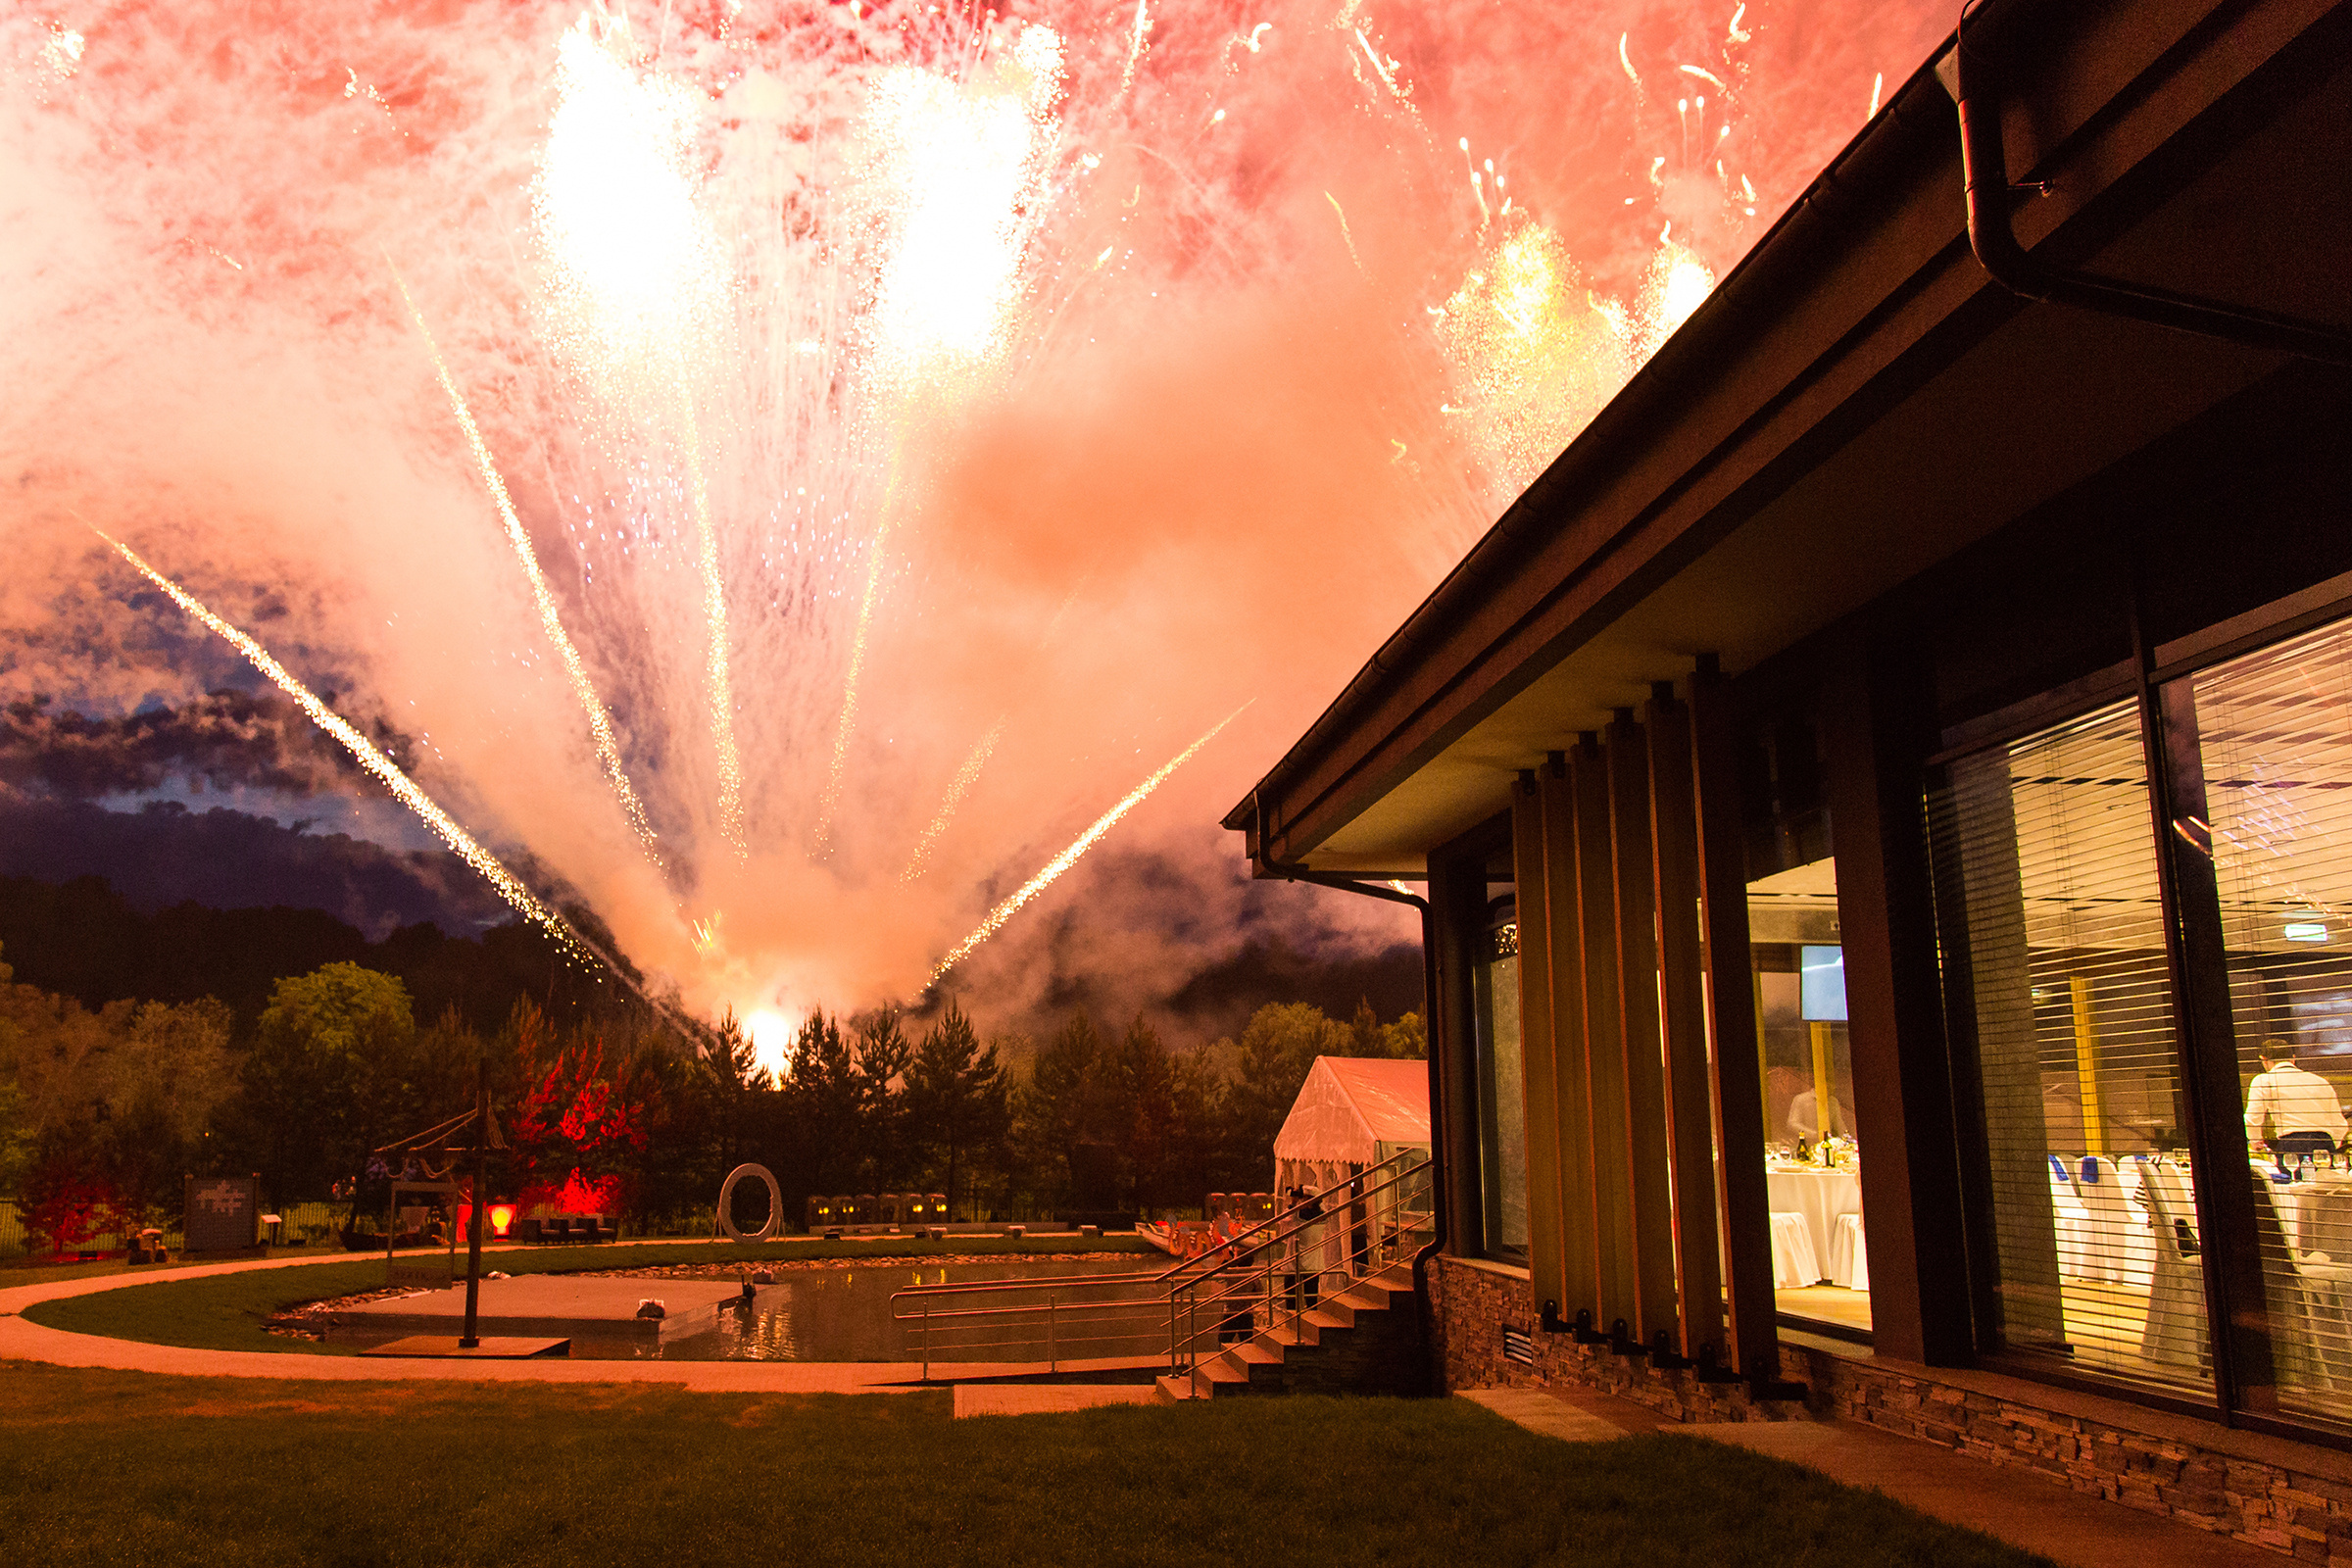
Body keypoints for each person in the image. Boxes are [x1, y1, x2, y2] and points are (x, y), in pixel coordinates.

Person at [2245, 1040, 2347, 1162]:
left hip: (2293, 1144)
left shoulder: (2264, 1080)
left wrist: (2255, 1140)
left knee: (2294, 1180)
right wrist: (2331, 1145)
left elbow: (2252, 1118)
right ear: (2293, 1059)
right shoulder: (2320, 1081)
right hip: (2325, 1143)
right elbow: (2340, 1124)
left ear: (2263, 1059)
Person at [1787, 1088, 1852, 1141]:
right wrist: (1814, 1134)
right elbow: (1792, 1123)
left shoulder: (1833, 1101)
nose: (1831, 1085)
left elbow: (1838, 1124)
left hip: (1829, 1145)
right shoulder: (1801, 1099)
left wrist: (1848, 1141)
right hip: (1806, 1144)